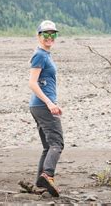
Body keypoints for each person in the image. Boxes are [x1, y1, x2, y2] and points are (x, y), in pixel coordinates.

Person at [28, 20, 63, 197]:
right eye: (46, 34)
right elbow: (32, 83)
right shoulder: (40, 55)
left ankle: (40, 185)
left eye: (53, 34)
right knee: (57, 143)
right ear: (39, 36)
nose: (50, 37)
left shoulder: (45, 54)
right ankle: (47, 175)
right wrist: (50, 103)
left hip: (39, 105)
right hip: (42, 106)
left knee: (47, 146)